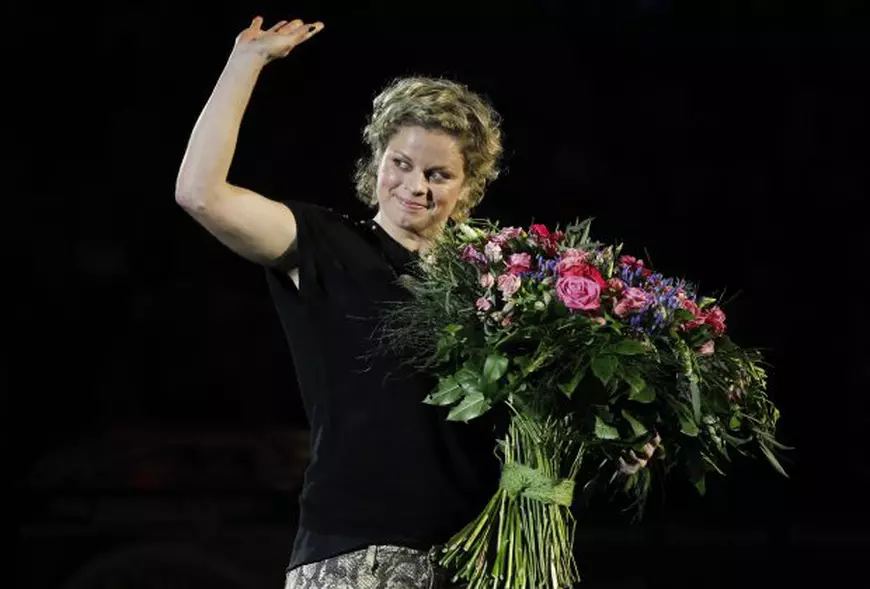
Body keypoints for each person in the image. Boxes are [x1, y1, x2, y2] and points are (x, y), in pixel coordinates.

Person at [175, 14, 658, 589]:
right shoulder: (326, 244)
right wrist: (244, 64)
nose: (415, 186)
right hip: (359, 551)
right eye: (400, 164)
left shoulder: (500, 281)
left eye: (438, 174)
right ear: (376, 159)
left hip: (480, 559)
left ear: (468, 185)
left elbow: (529, 429)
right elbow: (200, 195)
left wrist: (614, 451)